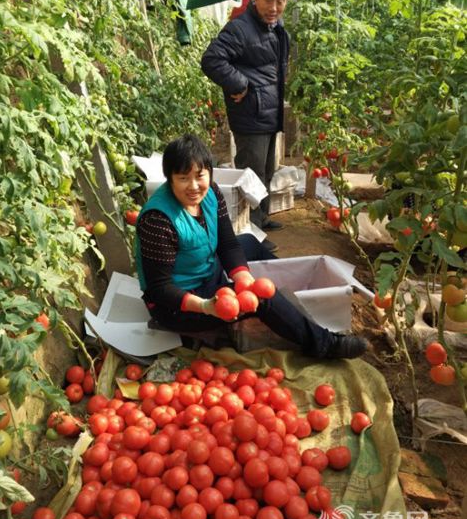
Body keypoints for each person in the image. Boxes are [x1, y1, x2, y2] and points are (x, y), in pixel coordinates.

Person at [135, 134, 368, 360]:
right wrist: (207, 306)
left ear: (209, 173)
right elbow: (160, 289)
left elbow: (227, 244)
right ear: (169, 179)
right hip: (178, 303)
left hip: (206, 272)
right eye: (183, 178)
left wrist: (243, 277)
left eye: (200, 175)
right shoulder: (158, 220)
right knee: (261, 299)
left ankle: (291, 309)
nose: (194, 186)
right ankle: (323, 344)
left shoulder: (211, 193)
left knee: (249, 243)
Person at [201, 0, 290, 249]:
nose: (274, 7)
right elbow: (211, 59)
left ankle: (260, 219)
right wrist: (239, 83)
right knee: (250, 175)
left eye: (280, 1)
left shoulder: (274, 26)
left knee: (265, 171)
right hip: (251, 115)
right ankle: (251, 236)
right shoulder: (241, 28)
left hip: (268, 113)